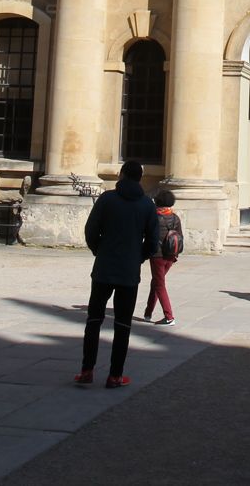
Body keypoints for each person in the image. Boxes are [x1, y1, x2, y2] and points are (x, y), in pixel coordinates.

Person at [75, 160, 159, 388]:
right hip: (129, 272)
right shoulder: (147, 205)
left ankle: (86, 370)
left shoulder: (107, 199)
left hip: (104, 268)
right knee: (123, 325)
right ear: (140, 178)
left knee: (94, 321)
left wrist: (99, 250)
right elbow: (153, 242)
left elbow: (91, 230)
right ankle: (115, 375)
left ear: (121, 175)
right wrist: (138, 257)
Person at [143, 187, 183, 326]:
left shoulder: (154, 217)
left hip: (157, 256)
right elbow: (180, 237)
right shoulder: (175, 218)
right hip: (171, 255)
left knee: (159, 284)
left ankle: (169, 316)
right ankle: (148, 312)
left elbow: (147, 236)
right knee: (156, 282)